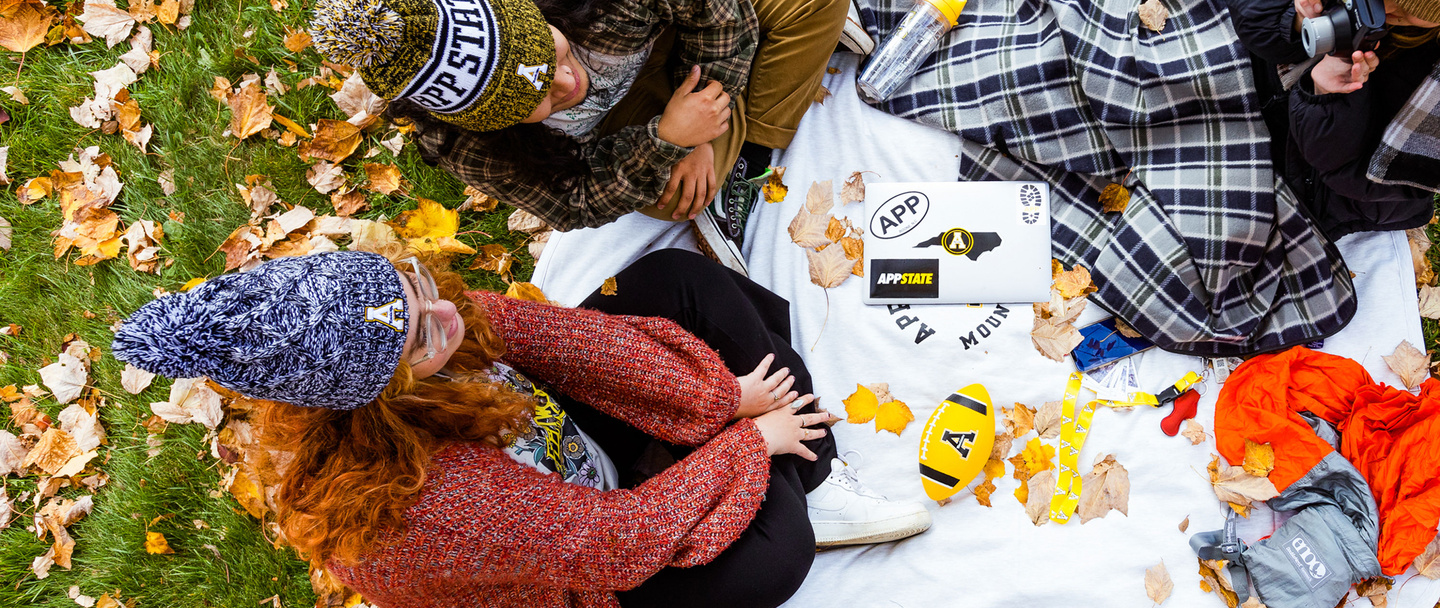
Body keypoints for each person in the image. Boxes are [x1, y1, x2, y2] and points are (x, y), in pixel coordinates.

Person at [111, 248, 931, 608]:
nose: (443, 315)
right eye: (419, 338)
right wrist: (747, 444)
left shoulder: (428, 321)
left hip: (579, 468)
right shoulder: (430, 504)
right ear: (384, 399)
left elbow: (579, 345)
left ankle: (796, 465)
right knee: (775, 556)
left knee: (676, 281)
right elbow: (611, 541)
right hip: (584, 564)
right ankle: (793, 475)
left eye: (413, 283)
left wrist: (714, 399)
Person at [308, 0, 864, 273]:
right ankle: (753, 135)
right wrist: (667, 142)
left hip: (670, 21)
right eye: (534, 102)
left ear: (528, 7)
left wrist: (707, 130)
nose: (566, 85)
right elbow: (573, 199)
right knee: (671, 197)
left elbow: (717, 11)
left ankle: (745, 147)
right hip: (627, 120)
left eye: (550, 57)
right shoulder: (461, 139)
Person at [1217, 0, 1440, 239]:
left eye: (1401, 7)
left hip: (1328, 181)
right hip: (1262, 72)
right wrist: (1294, 13)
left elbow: (1360, 179)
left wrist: (1328, 97)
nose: (1380, 13)